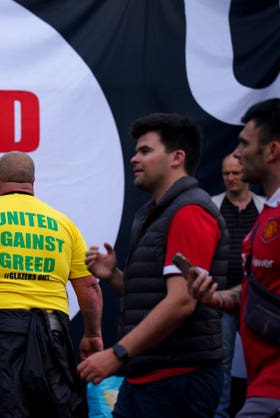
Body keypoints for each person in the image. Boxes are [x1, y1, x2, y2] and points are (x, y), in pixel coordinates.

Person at [78, 113, 229, 417]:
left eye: (145, 151)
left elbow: (181, 301)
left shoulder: (189, 212)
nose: (134, 159)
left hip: (178, 380)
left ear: (177, 157)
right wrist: (116, 277)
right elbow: (158, 295)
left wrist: (117, 354)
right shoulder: (158, 212)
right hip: (147, 377)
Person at [0, 151, 103, 418]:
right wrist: (92, 334)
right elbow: (89, 287)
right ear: (32, 182)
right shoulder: (62, 223)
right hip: (51, 334)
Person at [189, 98, 280, 417]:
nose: (238, 154)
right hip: (263, 386)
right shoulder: (266, 214)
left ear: (271, 151)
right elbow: (256, 289)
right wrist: (215, 298)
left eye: (244, 144)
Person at [211, 153, 264, 418]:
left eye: (236, 173)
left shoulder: (266, 208)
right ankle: (220, 415)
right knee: (222, 363)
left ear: (247, 174)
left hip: (258, 298)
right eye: (225, 173)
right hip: (221, 297)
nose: (230, 178)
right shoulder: (212, 206)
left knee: (263, 361)